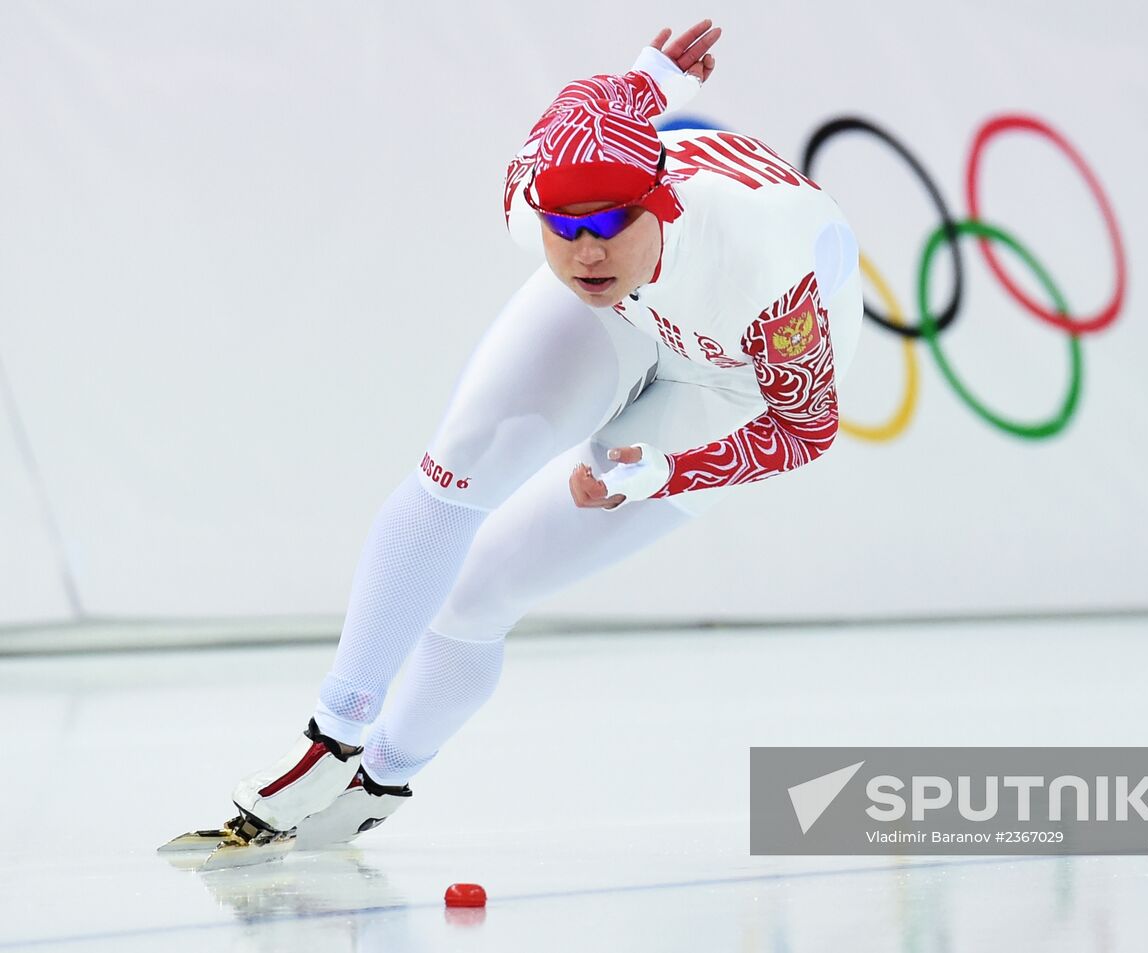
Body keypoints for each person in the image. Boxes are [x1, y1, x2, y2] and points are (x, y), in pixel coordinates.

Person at [177, 20, 862, 860]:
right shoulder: (533, 194)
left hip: (737, 375)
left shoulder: (771, 267)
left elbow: (807, 427)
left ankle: (383, 779)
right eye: (562, 230)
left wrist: (670, 470)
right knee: (454, 472)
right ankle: (333, 737)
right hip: (644, 309)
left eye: (609, 223)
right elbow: (603, 102)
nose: (585, 251)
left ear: (664, 202)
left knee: (484, 592)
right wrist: (650, 74)